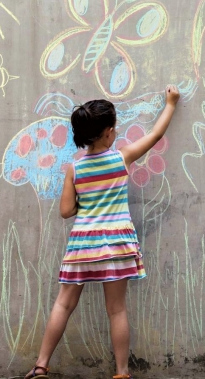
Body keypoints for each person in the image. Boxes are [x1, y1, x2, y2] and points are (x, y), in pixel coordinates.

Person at [23, 85, 181, 379]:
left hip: (84, 243)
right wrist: (170, 103)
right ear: (109, 132)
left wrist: (89, 202)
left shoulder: (75, 168)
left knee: (64, 303)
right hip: (117, 241)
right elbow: (156, 135)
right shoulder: (123, 157)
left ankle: (41, 365)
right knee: (116, 309)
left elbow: (66, 211)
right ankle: (121, 372)